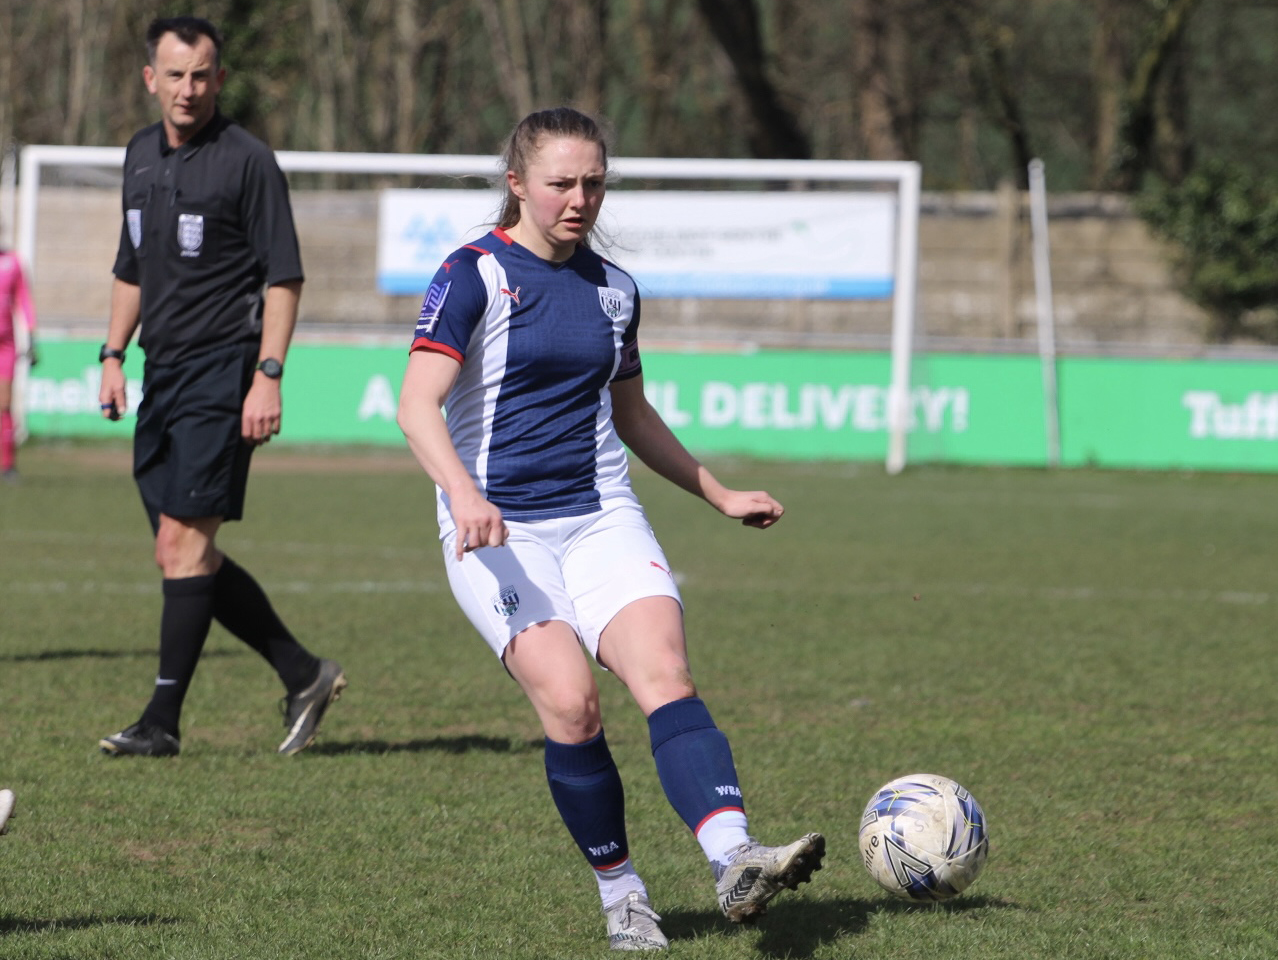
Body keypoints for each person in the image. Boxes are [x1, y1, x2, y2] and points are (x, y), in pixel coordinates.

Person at [397, 107, 824, 951]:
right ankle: (622, 892)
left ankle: (735, 859)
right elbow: (416, 405)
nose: (579, 198)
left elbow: (632, 416)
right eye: (560, 182)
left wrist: (717, 491)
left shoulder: (615, 290)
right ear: (517, 182)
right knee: (572, 703)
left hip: (599, 515)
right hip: (497, 530)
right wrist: (464, 494)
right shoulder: (475, 273)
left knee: (664, 670)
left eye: (593, 182)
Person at [96, 16, 345, 758]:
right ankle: (304, 672)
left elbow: (284, 277)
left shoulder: (248, 161)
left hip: (225, 370)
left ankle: (162, 723)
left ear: (220, 79)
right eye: (175, 74)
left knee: (183, 543)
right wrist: (113, 354)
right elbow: (130, 268)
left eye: (202, 74)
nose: (188, 88)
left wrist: (268, 375)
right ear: (151, 79)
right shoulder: (139, 155)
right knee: (181, 554)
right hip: (160, 374)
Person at [0, 242, 37, 483]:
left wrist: (32, 338)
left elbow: (23, 301)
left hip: (5, 345)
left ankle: (7, 464)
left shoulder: (12, 262)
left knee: (4, 404)